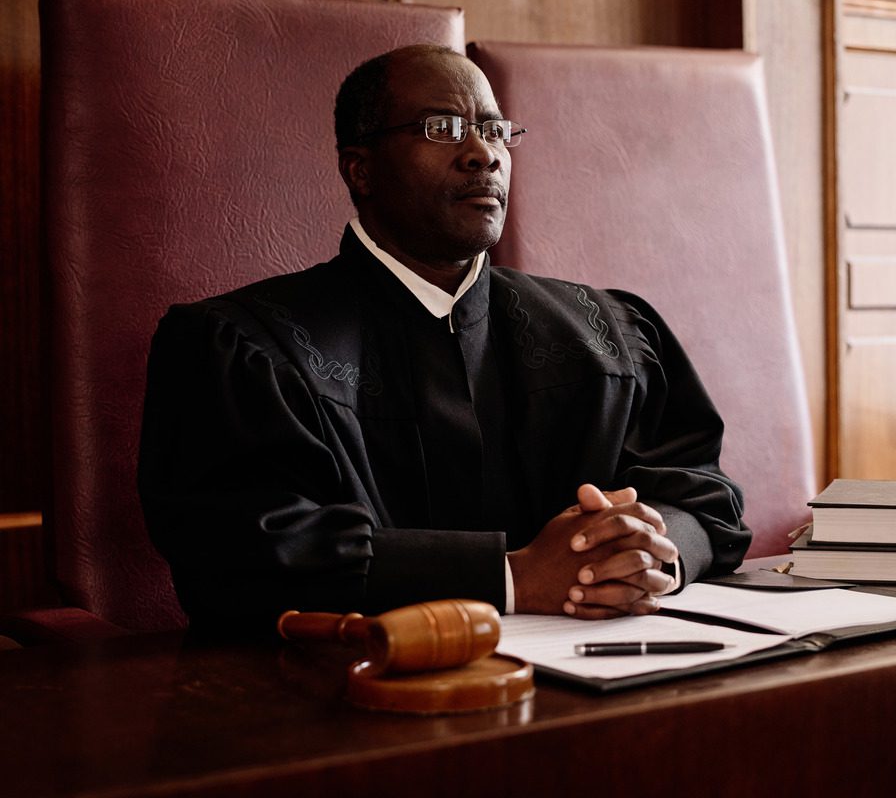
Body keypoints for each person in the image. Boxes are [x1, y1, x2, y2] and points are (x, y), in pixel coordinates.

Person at [138, 44, 750, 631]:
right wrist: (510, 577)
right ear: (360, 168)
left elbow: (703, 494)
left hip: (609, 684)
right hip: (350, 702)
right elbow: (245, 554)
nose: (482, 153)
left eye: (494, 129)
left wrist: (646, 549)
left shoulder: (606, 333)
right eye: (442, 128)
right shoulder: (246, 347)